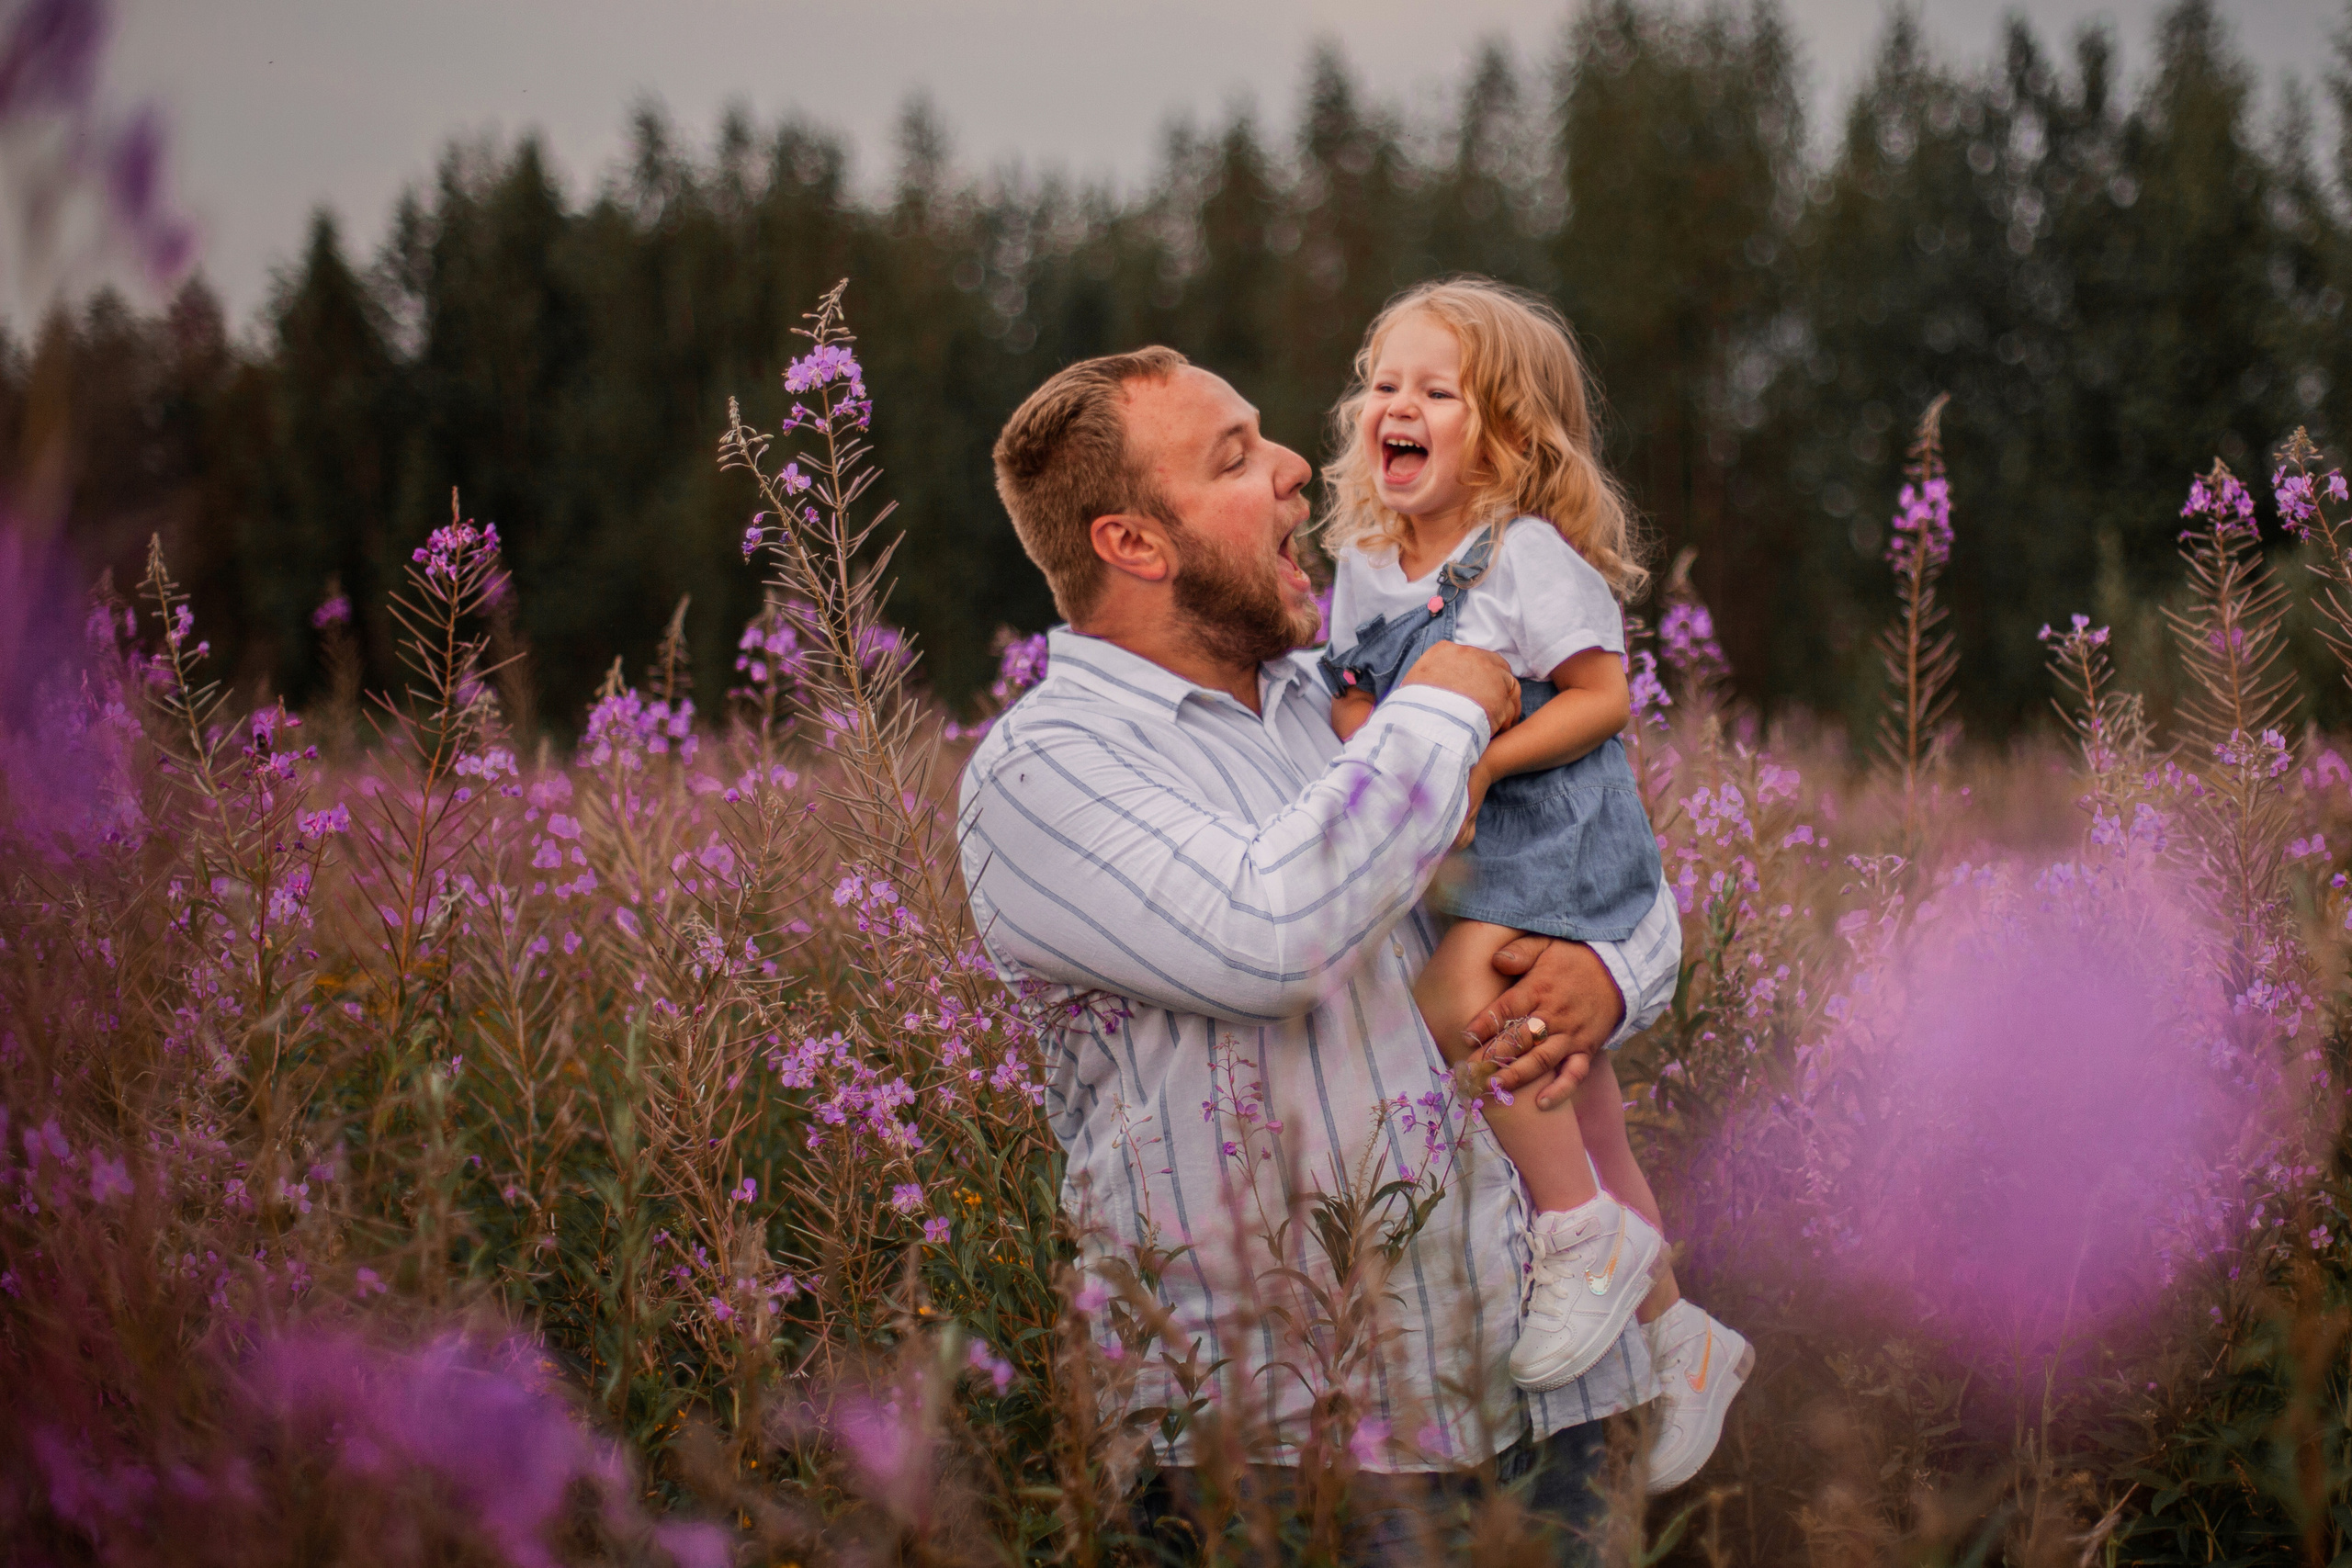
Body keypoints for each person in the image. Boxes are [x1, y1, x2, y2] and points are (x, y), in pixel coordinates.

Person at [957, 344, 1682, 1560]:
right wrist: (1453, 691)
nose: (1300, 467)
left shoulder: (1340, 695)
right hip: (1286, 1456)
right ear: (1133, 542)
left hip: (1541, 1408)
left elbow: (1604, 861)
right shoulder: (1042, 773)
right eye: (1237, 456)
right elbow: (1275, 929)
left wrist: (1613, 975)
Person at [1319, 278, 1748, 1491]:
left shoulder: (1525, 553)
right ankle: (1682, 1338)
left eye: (1435, 392)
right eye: (1383, 386)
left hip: (1556, 828)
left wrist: (1473, 761)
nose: (1395, 407)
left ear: (1506, 434)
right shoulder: (1361, 560)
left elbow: (1604, 697)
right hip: (1467, 845)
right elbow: (1354, 684)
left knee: (1460, 1002)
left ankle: (1578, 1239)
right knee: (1583, 1102)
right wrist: (1375, 741)